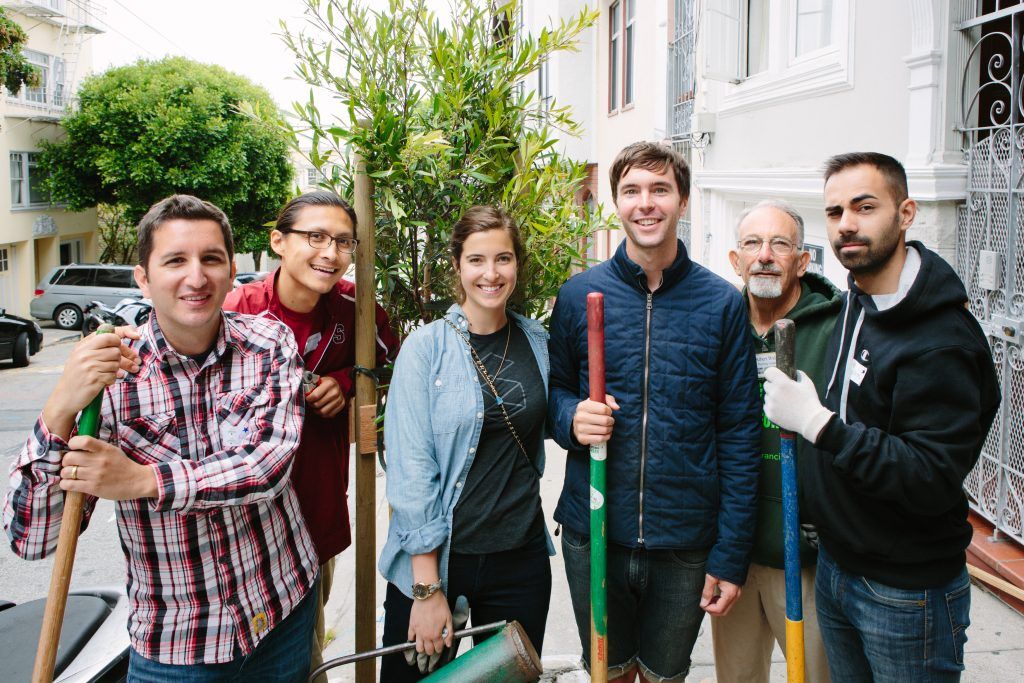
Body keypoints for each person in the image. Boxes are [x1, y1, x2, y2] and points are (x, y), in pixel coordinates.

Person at [4, 195, 320, 681]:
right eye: (175, 260)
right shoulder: (108, 381)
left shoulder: (267, 343)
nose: (196, 278)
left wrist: (143, 480)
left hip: (280, 609)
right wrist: (60, 406)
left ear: (232, 270)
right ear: (143, 279)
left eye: (211, 259)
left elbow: (267, 466)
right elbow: (33, 540)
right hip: (178, 644)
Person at [763, 152, 1000, 682]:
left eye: (864, 206)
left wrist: (818, 424)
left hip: (904, 591)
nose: (846, 223)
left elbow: (929, 474)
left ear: (907, 212)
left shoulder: (940, 340)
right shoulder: (861, 297)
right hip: (839, 566)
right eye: (834, 211)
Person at [547, 141, 761, 683]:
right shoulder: (578, 295)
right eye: (632, 191)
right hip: (595, 532)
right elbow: (551, 396)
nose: (647, 203)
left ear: (682, 200)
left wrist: (730, 555)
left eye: (660, 189)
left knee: (665, 676)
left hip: (685, 545)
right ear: (616, 203)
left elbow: (738, 433)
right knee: (608, 673)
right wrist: (572, 417)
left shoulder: (722, 303)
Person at [223, 190, 399, 679]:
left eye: (343, 241)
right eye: (315, 237)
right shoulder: (239, 311)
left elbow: (394, 365)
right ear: (279, 241)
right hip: (239, 521)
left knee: (304, 656)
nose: (330, 252)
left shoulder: (357, 313)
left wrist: (346, 383)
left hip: (311, 512)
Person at [378, 205, 554, 681]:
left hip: (520, 556)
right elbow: (411, 469)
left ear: (517, 263)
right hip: (442, 560)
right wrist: (426, 588)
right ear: (457, 266)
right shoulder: (426, 348)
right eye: (476, 260)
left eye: (503, 258)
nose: (491, 273)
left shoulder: (537, 340)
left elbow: (553, 418)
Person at [711, 200, 839, 683]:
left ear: (803, 260)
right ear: (735, 260)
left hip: (804, 557)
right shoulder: (719, 324)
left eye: (780, 244)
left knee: (815, 676)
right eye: (752, 244)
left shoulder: (836, 326)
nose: (765, 255)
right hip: (734, 553)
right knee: (738, 677)